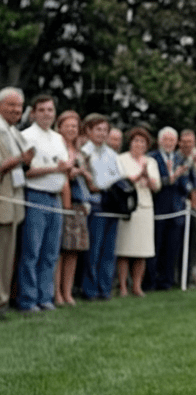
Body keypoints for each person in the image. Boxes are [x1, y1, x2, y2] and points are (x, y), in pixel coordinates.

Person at [18, 94, 72, 313]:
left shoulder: (58, 138)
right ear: (33, 113)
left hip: (55, 197)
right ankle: (28, 300)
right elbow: (26, 171)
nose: (47, 114)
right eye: (42, 110)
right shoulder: (26, 136)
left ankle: (45, 297)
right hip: (36, 195)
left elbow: (63, 167)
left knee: (50, 252)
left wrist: (66, 169)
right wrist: (55, 169)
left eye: (50, 110)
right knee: (32, 251)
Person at [80, 114, 123, 301]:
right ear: (88, 131)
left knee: (108, 250)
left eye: (105, 130)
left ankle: (104, 289)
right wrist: (104, 184)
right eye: (98, 129)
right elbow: (91, 184)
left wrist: (104, 184)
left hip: (112, 205)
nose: (102, 133)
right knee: (94, 250)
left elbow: (119, 179)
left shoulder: (112, 154)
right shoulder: (84, 152)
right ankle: (89, 289)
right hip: (96, 204)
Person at [116, 127, 161, 297]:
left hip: (145, 207)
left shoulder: (151, 162)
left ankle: (137, 285)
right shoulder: (121, 159)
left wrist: (147, 177)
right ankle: (122, 287)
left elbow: (156, 186)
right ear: (130, 142)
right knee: (125, 249)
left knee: (142, 250)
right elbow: (121, 181)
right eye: (136, 141)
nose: (139, 144)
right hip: (128, 207)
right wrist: (137, 176)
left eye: (142, 141)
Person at [0, 87, 33, 319]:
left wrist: (25, 162)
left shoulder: (14, 132)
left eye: (19, 107)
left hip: (15, 198)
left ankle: (3, 301)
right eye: (10, 105)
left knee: (8, 254)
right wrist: (20, 160)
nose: (15, 110)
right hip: (3, 199)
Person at [149, 127, 193, 290]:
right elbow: (156, 183)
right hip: (158, 209)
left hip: (176, 210)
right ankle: (151, 281)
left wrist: (185, 183)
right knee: (156, 246)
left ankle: (166, 281)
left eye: (172, 140)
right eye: (166, 140)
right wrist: (172, 176)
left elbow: (187, 183)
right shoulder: (152, 158)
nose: (169, 143)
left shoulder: (180, 159)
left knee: (171, 248)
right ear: (160, 141)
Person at [54, 110, 91, 306]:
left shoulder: (80, 152)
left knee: (73, 250)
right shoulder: (56, 147)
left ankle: (67, 292)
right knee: (59, 250)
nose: (71, 129)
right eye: (67, 125)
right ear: (59, 127)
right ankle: (57, 292)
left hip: (79, 204)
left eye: (75, 126)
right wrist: (72, 171)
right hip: (62, 203)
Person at [178, 129, 196, 286]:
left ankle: (189, 276)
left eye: (191, 142)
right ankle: (179, 276)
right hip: (181, 207)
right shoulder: (178, 158)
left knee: (193, 244)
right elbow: (185, 183)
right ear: (180, 143)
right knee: (180, 245)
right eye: (185, 142)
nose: (188, 145)